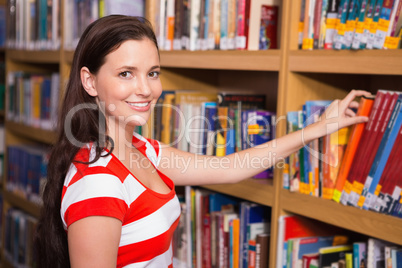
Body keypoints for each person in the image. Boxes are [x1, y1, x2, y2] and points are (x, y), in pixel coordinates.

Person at [35, 15, 370, 268]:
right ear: (90, 82)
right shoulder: (98, 184)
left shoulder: (144, 151)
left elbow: (229, 168)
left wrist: (318, 128)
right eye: (126, 74)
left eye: (152, 73)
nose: (146, 89)